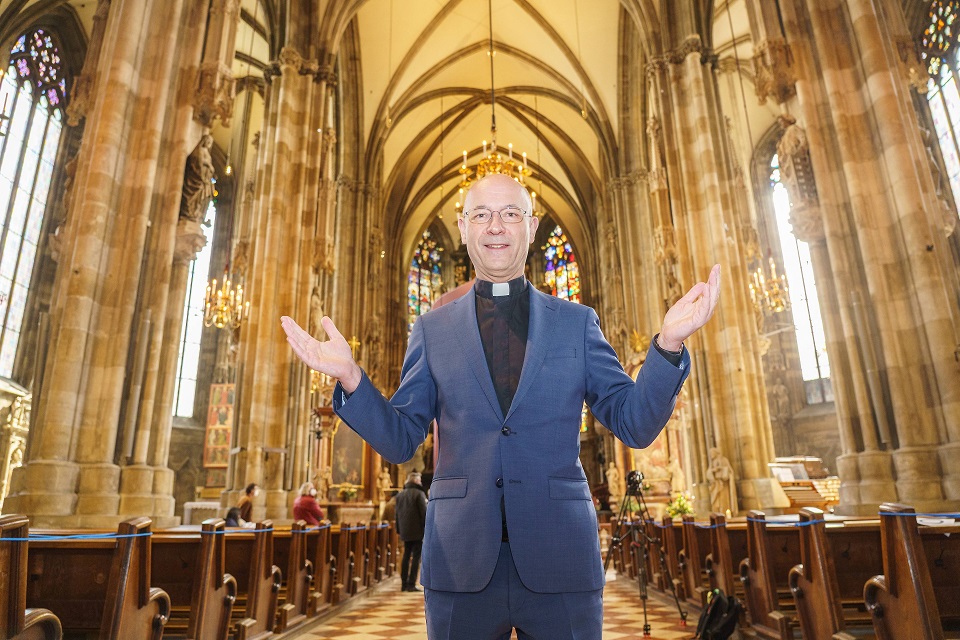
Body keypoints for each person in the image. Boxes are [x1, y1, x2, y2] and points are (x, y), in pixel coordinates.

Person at [281, 173, 720, 639]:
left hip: (560, 555)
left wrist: (668, 345)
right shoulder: (431, 329)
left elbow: (633, 425)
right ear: (464, 226)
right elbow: (400, 438)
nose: (496, 226)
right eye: (482, 214)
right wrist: (351, 377)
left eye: (510, 213)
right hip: (461, 559)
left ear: (531, 228)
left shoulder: (576, 323)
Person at [395, 471, 428, 592]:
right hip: (417, 531)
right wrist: (427, 529)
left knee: (406, 555)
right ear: (415, 481)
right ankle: (411, 584)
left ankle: (403, 584)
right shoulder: (419, 494)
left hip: (404, 530)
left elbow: (396, 514)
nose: (420, 482)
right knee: (416, 557)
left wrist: (398, 529)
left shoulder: (400, 495)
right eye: (419, 480)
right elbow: (424, 513)